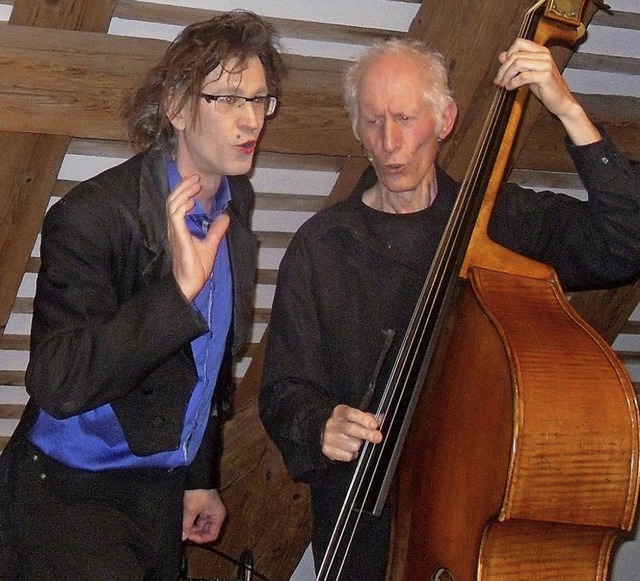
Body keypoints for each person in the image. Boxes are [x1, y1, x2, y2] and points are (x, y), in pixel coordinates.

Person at [259, 37, 640, 580]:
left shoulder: (499, 226)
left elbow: (625, 242)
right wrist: (319, 422)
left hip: (471, 531)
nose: (389, 142)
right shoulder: (321, 246)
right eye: (373, 121)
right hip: (359, 529)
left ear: (446, 120)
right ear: (356, 129)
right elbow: (282, 389)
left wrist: (567, 109)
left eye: (406, 118)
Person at [0, 10, 284, 581]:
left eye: (260, 100)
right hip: (71, 501)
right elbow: (57, 381)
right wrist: (178, 291)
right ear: (177, 107)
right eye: (227, 99)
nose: (250, 119)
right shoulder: (94, 217)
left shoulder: (236, 203)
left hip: (159, 493)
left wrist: (199, 475)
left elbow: (206, 369)